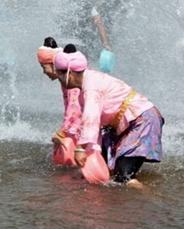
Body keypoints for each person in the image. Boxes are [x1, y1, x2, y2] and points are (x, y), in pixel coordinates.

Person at [54, 45, 163, 186]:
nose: (58, 79)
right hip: (124, 124)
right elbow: (94, 123)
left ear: (70, 73)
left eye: (60, 75)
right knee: (111, 171)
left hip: (142, 120)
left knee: (125, 176)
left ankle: (152, 200)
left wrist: (81, 147)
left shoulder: (91, 87)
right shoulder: (87, 82)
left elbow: (91, 118)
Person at [38, 37, 82, 165]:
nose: (44, 72)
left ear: (53, 64)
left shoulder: (72, 81)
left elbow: (75, 109)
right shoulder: (66, 81)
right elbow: (70, 109)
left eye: (44, 67)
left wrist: (61, 133)